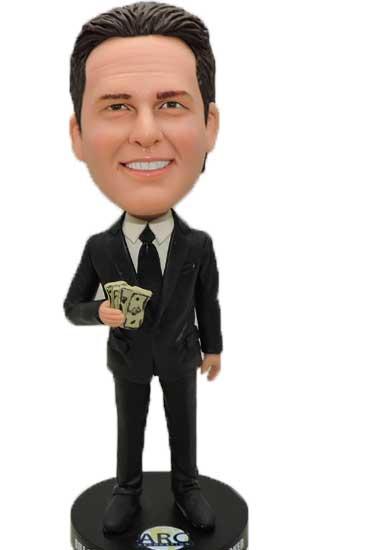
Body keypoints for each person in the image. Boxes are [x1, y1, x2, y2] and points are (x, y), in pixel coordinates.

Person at [64, 1, 222, 535]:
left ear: (210, 125)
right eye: (116, 106)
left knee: (184, 425)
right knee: (129, 427)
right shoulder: (99, 248)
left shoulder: (198, 245)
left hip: (180, 355)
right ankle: (126, 491)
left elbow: (207, 301)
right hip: (128, 358)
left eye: (172, 103)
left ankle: (187, 487)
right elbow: (72, 305)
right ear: (78, 135)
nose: (147, 133)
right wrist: (99, 313)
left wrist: (214, 348)